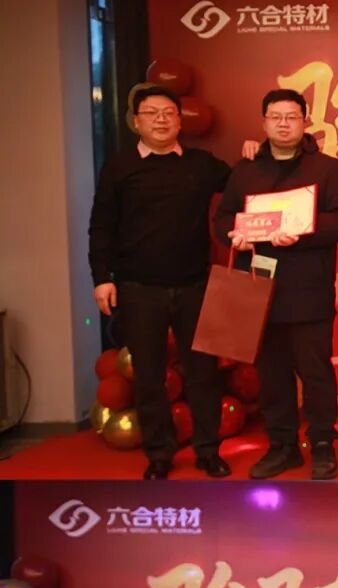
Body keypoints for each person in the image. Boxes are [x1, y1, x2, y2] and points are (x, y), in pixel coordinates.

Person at [88, 84, 231, 479]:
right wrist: (101, 278)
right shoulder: (119, 167)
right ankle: (159, 454)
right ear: (136, 122)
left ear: (180, 121)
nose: (161, 120)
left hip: (195, 286)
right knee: (149, 377)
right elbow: (101, 227)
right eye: (152, 113)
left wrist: (257, 152)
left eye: (169, 112)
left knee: (203, 373)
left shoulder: (202, 165)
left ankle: (208, 450)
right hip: (138, 289)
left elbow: (245, 185)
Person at [216, 89, 338, 480]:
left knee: (316, 373)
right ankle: (282, 446)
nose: (283, 124)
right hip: (259, 290)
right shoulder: (246, 170)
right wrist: (235, 236)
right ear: (263, 122)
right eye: (275, 117)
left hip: (308, 289)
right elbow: (224, 217)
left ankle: (323, 444)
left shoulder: (328, 168)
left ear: (305, 121)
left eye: (291, 116)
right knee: (271, 374)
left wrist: (301, 229)